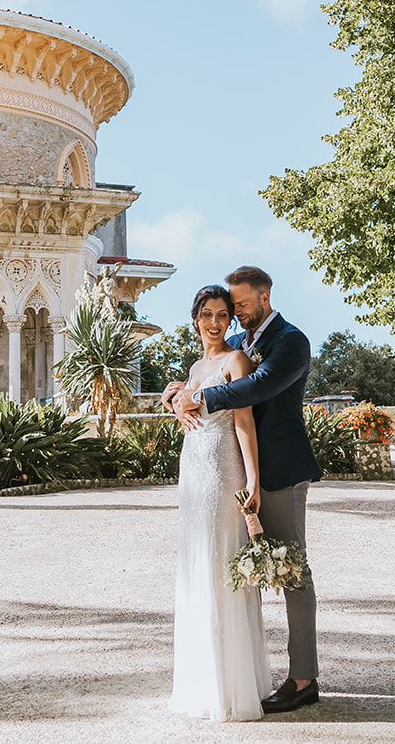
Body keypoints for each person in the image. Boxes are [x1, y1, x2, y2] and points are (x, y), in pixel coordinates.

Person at [166, 265, 322, 714]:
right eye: (230, 308)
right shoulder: (240, 343)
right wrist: (174, 396)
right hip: (234, 473)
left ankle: (303, 678)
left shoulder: (291, 341)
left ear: (265, 297)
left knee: (294, 570)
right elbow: (206, 370)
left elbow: (258, 386)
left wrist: (201, 398)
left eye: (241, 306)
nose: (234, 314)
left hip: (281, 471)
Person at [167, 284, 270, 721]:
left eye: (222, 315)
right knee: (197, 562)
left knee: (219, 562)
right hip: (192, 470)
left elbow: (244, 422)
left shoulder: (236, 360)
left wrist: (254, 479)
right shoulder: (195, 366)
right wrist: (176, 406)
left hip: (222, 467)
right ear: (195, 319)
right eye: (206, 314)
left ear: (230, 320)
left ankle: (230, 686)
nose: (214, 323)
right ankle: (200, 680)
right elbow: (187, 403)